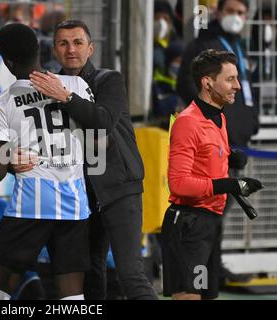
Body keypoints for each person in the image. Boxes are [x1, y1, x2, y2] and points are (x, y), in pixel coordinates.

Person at [29, 20, 157, 300]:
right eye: (63, 43)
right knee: (89, 275)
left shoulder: (109, 79)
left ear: (90, 48)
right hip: (80, 194)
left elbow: (102, 122)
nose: (70, 49)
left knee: (130, 275)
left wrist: (65, 96)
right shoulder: (46, 87)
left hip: (119, 188)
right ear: (55, 49)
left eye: (77, 43)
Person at [0, 23, 94, 300]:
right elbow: (101, 139)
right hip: (75, 206)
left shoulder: (1, 103)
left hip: (31, 205)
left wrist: (7, 162)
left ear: (7, 61)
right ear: (39, 49)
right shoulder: (75, 84)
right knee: (71, 294)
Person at [162, 49, 263, 300]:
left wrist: (229, 156)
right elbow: (178, 184)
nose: (238, 86)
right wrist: (229, 184)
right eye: (230, 79)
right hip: (188, 224)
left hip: (209, 223)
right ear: (207, 82)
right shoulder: (188, 122)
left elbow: (205, 154)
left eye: (237, 79)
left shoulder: (219, 117)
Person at [177, 0, 258, 149]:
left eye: (240, 13)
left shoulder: (239, 47)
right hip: (214, 139)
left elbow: (248, 85)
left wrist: (253, 120)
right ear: (218, 12)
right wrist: (211, 118)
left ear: (246, 16)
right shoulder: (202, 45)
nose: (235, 17)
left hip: (241, 139)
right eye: (230, 11)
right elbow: (185, 83)